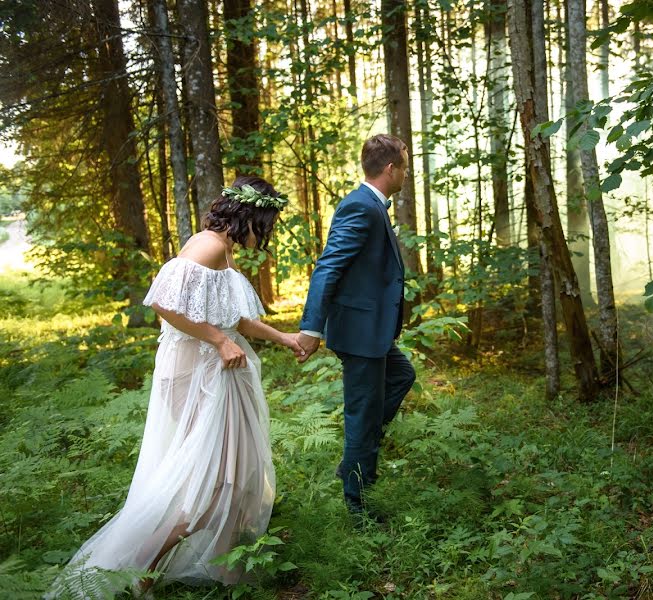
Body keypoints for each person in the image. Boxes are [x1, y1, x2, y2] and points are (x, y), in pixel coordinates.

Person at [50, 176, 298, 598]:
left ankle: (227, 571)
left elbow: (235, 319)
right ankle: (143, 567)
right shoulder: (209, 246)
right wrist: (218, 341)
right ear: (249, 216)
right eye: (266, 222)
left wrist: (285, 339)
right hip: (197, 376)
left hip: (217, 374)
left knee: (240, 477)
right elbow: (163, 301)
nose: (267, 233)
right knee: (214, 482)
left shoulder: (224, 252)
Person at [295, 134, 416, 521]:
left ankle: (355, 456)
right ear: (390, 168)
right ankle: (358, 505)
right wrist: (311, 329)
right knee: (363, 414)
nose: (408, 173)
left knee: (401, 375)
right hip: (361, 332)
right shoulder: (360, 207)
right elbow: (328, 267)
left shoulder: (373, 206)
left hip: (371, 330)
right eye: (406, 165)